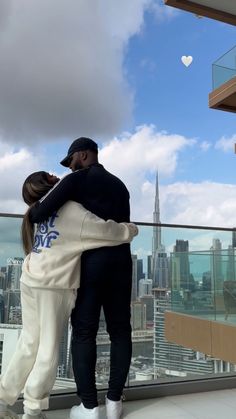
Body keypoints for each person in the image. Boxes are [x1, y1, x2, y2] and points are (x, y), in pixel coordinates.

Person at [0, 171, 138, 419]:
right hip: (54, 285)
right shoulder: (72, 209)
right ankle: (32, 409)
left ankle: (3, 397)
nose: (58, 175)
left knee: (29, 342)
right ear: (50, 183)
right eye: (52, 175)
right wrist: (130, 229)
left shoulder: (39, 211)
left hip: (30, 276)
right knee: (48, 348)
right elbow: (107, 232)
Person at [29, 137, 134, 419]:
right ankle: (114, 402)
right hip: (122, 262)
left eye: (71, 160)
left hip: (91, 264)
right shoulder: (120, 184)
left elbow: (39, 213)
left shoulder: (75, 180)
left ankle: (89, 406)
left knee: (85, 332)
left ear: (83, 154)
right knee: (121, 330)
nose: (69, 166)